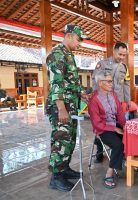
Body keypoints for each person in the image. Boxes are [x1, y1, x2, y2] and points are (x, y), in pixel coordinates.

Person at [46, 24, 89, 192]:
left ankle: (64, 169)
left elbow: (70, 82)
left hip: (70, 106)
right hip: (61, 107)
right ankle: (56, 177)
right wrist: (61, 108)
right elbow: (56, 84)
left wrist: (81, 93)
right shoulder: (57, 55)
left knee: (69, 140)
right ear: (70, 36)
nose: (80, 43)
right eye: (78, 40)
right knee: (61, 140)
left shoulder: (69, 55)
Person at [92, 42, 130, 163]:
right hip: (103, 103)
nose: (122, 57)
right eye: (120, 54)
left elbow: (126, 84)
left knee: (120, 127)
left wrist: (127, 101)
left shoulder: (124, 67)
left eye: (124, 55)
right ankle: (99, 148)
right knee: (104, 126)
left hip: (118, 102)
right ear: (114, 50)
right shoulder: (102, 64)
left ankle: (121, 154)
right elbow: (95, 83)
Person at [88, 70, 126, 189]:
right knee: (118, 144)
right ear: (100, 83)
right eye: (109, 81)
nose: (111, 84)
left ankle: (130, 162)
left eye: (111, 81)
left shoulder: (113, 94)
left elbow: (119, 112)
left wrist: (124, 125)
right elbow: (97, 124)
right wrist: (114, 129)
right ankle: (109, 172)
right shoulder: (94, 100)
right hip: (103, 129)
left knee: (131, 136)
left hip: (114, 124)